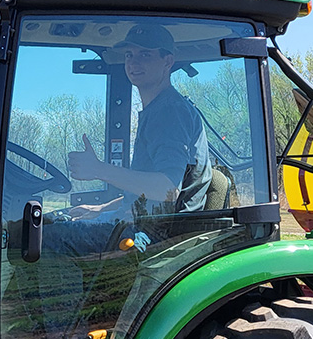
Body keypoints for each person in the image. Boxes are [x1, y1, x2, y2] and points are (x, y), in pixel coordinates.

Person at [67, 24, 210, 218]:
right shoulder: (159, 109)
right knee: (61, 221)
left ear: (167, 61)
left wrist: (99, 169)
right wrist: (102, 209)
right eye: (129, 55)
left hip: (156, 233)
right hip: (145, 223)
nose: (133, 63)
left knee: (45, 235)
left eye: (145, 55)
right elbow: (144, 193)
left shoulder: (169, 112)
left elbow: (167, 189)